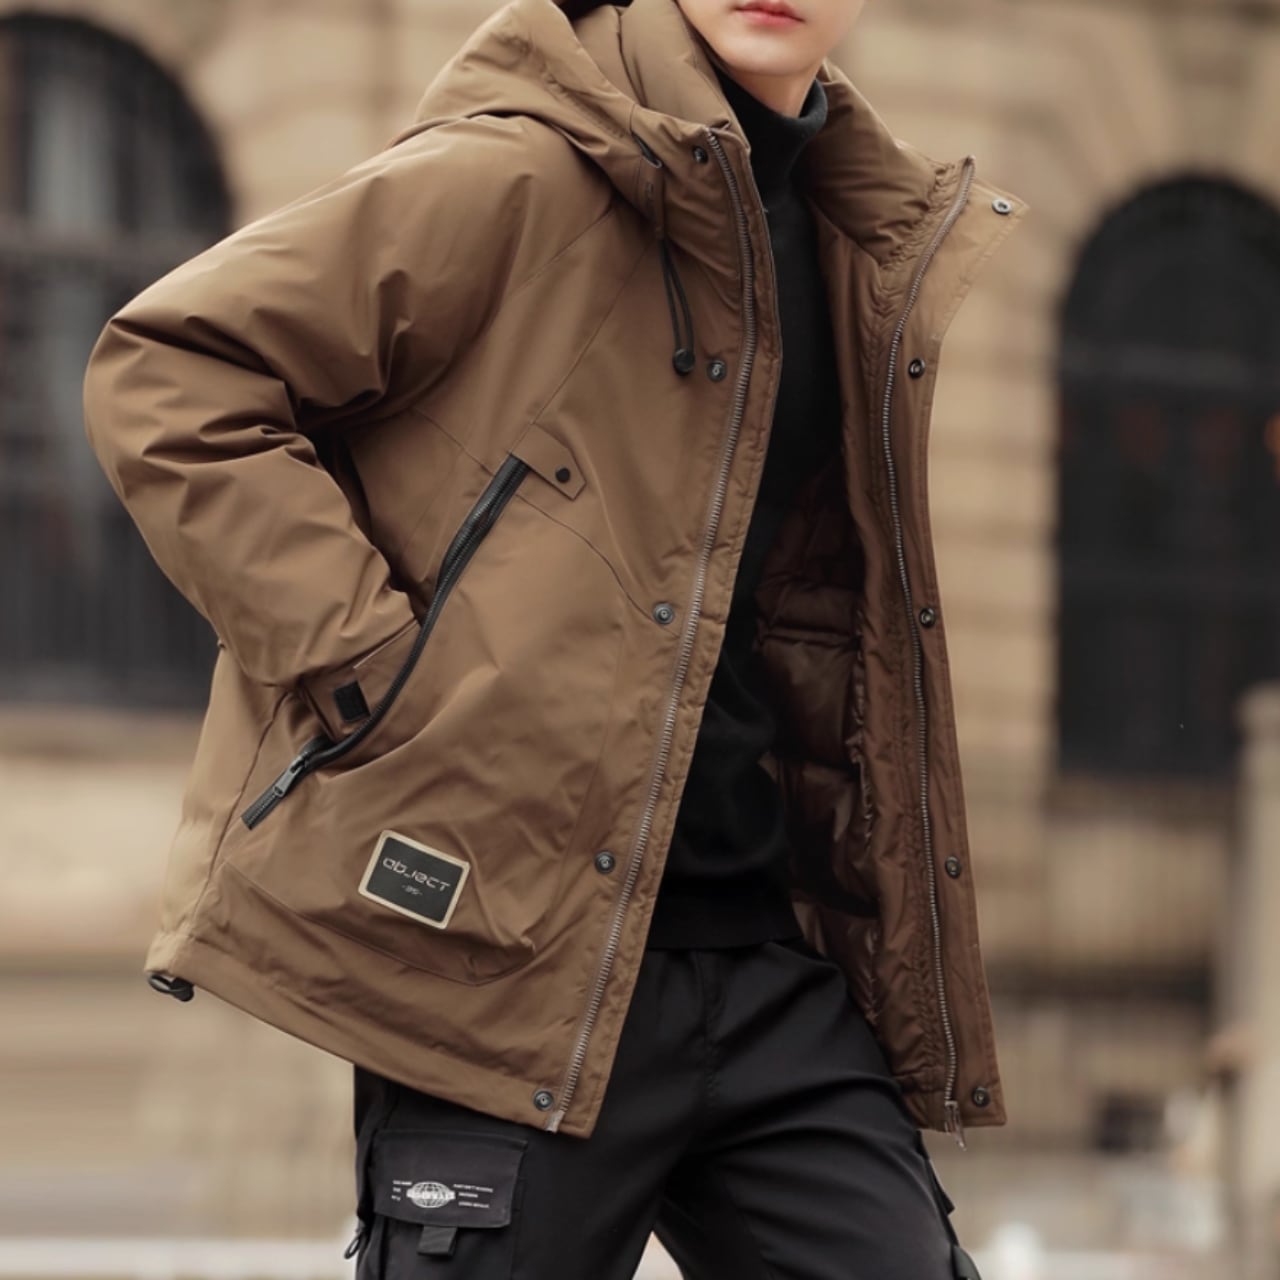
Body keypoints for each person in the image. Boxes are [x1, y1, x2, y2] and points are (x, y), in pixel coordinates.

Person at [81, 0, 1025, 1274]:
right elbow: (170, 372)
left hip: (767, 960)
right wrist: (374, 673)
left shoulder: (856, 233)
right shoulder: (523, 168)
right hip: (505, 961)